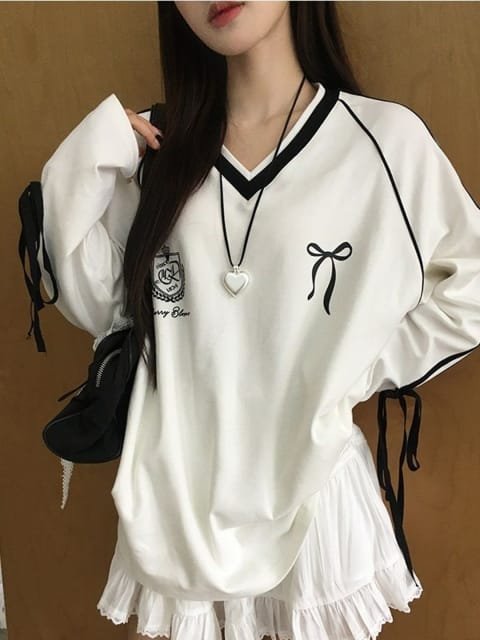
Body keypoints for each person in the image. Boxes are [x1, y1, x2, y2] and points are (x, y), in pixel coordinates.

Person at [36, 1, 480, 639]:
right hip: (176, 511)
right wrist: (89, 157)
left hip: (313, 500)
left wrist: (353, 369)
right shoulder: (152, 151)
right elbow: (91, 299)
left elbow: (468, 283)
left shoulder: (382, 142)